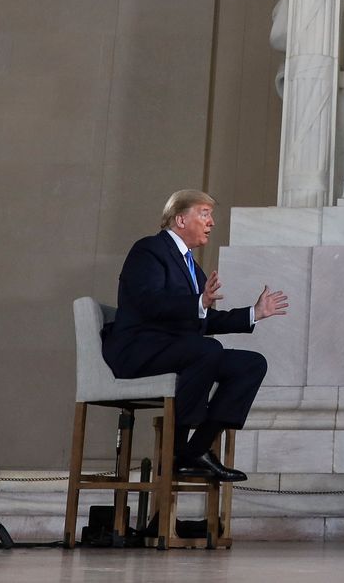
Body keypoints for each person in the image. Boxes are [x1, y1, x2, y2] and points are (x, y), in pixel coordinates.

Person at [102, 190, 289, 482]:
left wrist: (253, 313)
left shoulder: (192, 266)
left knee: (251, 364)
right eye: (204, 213)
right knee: (206, 349)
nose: (211, 222)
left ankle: (196, 449)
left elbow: (204, 318)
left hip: (178, 350)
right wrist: (198, 303)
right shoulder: (149, 250)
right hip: (139, 349)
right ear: (180, 219)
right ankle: (175, 450)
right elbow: (147, 302)